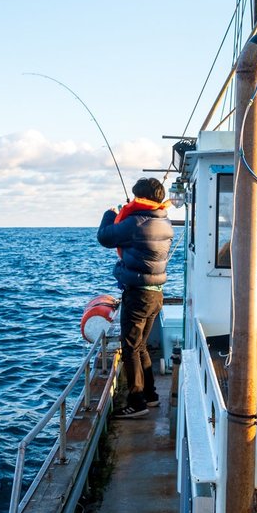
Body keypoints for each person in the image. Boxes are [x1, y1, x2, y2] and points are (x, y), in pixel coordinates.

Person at [96, 177, 174, 419]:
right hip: (155, 295)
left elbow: (105, 237)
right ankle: (150, 395)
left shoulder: (136, 223)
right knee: (140, 346)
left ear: (141, 199)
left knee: (129, 348)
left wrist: (110, 214)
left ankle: (137, 401)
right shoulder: (164, 222)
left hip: (138, 295)